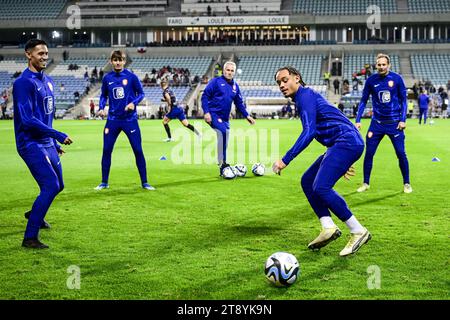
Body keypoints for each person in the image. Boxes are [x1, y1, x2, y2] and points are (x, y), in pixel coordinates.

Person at [272, 66, 370, 257]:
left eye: (285, 80)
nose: (282, 85)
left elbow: (309, 132)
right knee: (308, 181)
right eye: (278, 83)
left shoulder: (305, 96)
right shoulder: (304, 98)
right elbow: (336, 120)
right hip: (342, 143)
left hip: (345, 142)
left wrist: (285, 159)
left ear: (297, 78)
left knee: (321, 187)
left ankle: (358, 230)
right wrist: (343, 156)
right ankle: (328, 226)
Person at [13, 39, 73, 249]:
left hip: (46, 142)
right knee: (50, 185)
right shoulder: (23, 83)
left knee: (60, 185)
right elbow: (28, 120)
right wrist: (57, 135)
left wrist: (53, 143)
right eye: (40, 53)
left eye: (46, 53)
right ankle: (30, 237)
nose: (44, 57)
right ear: (28, 55)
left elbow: (46, 116)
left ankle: (34, 213)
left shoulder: (48, 81)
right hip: (29, 143)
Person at [95, 50, 154, 191]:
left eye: (120, 60)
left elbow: (141, 94)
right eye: (115, 60)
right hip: (113, 120)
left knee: (138, 150)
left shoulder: (131, 77)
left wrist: (134, 103)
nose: (117, 62)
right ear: (111, 61)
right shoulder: (107, 78)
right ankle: (104, 182)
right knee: (106, 150)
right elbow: (103, 95)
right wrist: (102, 107)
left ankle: (145, 182)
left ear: (124, 61)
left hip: (130, 119)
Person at [355, 53, 412, 194]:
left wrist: (403, 119)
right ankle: (365, 183)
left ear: (388, 65)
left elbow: (404, 101)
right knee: (369, 153)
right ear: (376, 65)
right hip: (377, 124)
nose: (381, 67)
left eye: (383, 64)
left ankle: (407, 184)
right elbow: (363, 101)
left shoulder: (397, 79)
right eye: (379, 64)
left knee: (401, 153)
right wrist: (357, 120)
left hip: (394, 124)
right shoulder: (371, 80)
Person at [201, 61, 255, 176]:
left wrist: (247, 116)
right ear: (223, 70)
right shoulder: (215, 82)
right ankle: (222, 163)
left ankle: (222, 167)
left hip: (225, 118)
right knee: (223, 132)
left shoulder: (235, 86)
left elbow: (239, 103)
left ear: (234, 72)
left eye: (232, 71)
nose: (229, 72)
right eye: (227, 70)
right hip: (213, 114)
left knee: (225, 138)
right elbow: (205, 95)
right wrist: (206, 112)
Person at [160, 78, 200, 142]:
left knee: (164, 122)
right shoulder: (170, 90)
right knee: (186, 124)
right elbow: (173, 98)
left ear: (161, 85)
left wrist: (169, 107)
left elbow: (169, 99)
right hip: (179, 108)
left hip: (174, 109)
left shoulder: (165, 92)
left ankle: (169, 138)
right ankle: (198, 134)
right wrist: (164, 100)